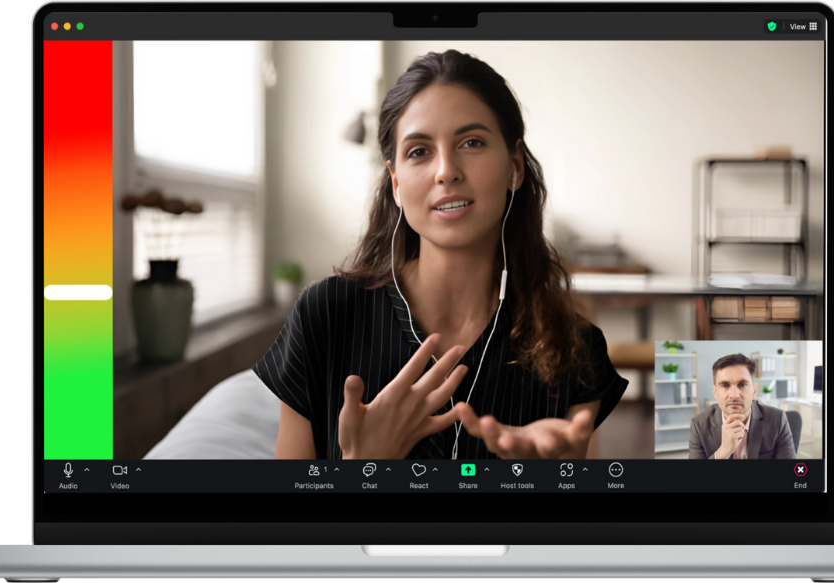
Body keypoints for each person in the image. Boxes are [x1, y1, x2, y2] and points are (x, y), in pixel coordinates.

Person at [254, 49, 628, 460]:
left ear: (515, 166)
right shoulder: (324, 316)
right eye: (419, 151)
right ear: (395, 183)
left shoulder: (574, 346)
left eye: (471, 142)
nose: (446, 170)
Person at [688, 353, 796, 459]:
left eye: (742, 384)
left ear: (754, 390)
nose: (734, 395)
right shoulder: (699, 425)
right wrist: (722, 454)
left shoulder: (777, 419)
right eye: (725, 385)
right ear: (715, 392)